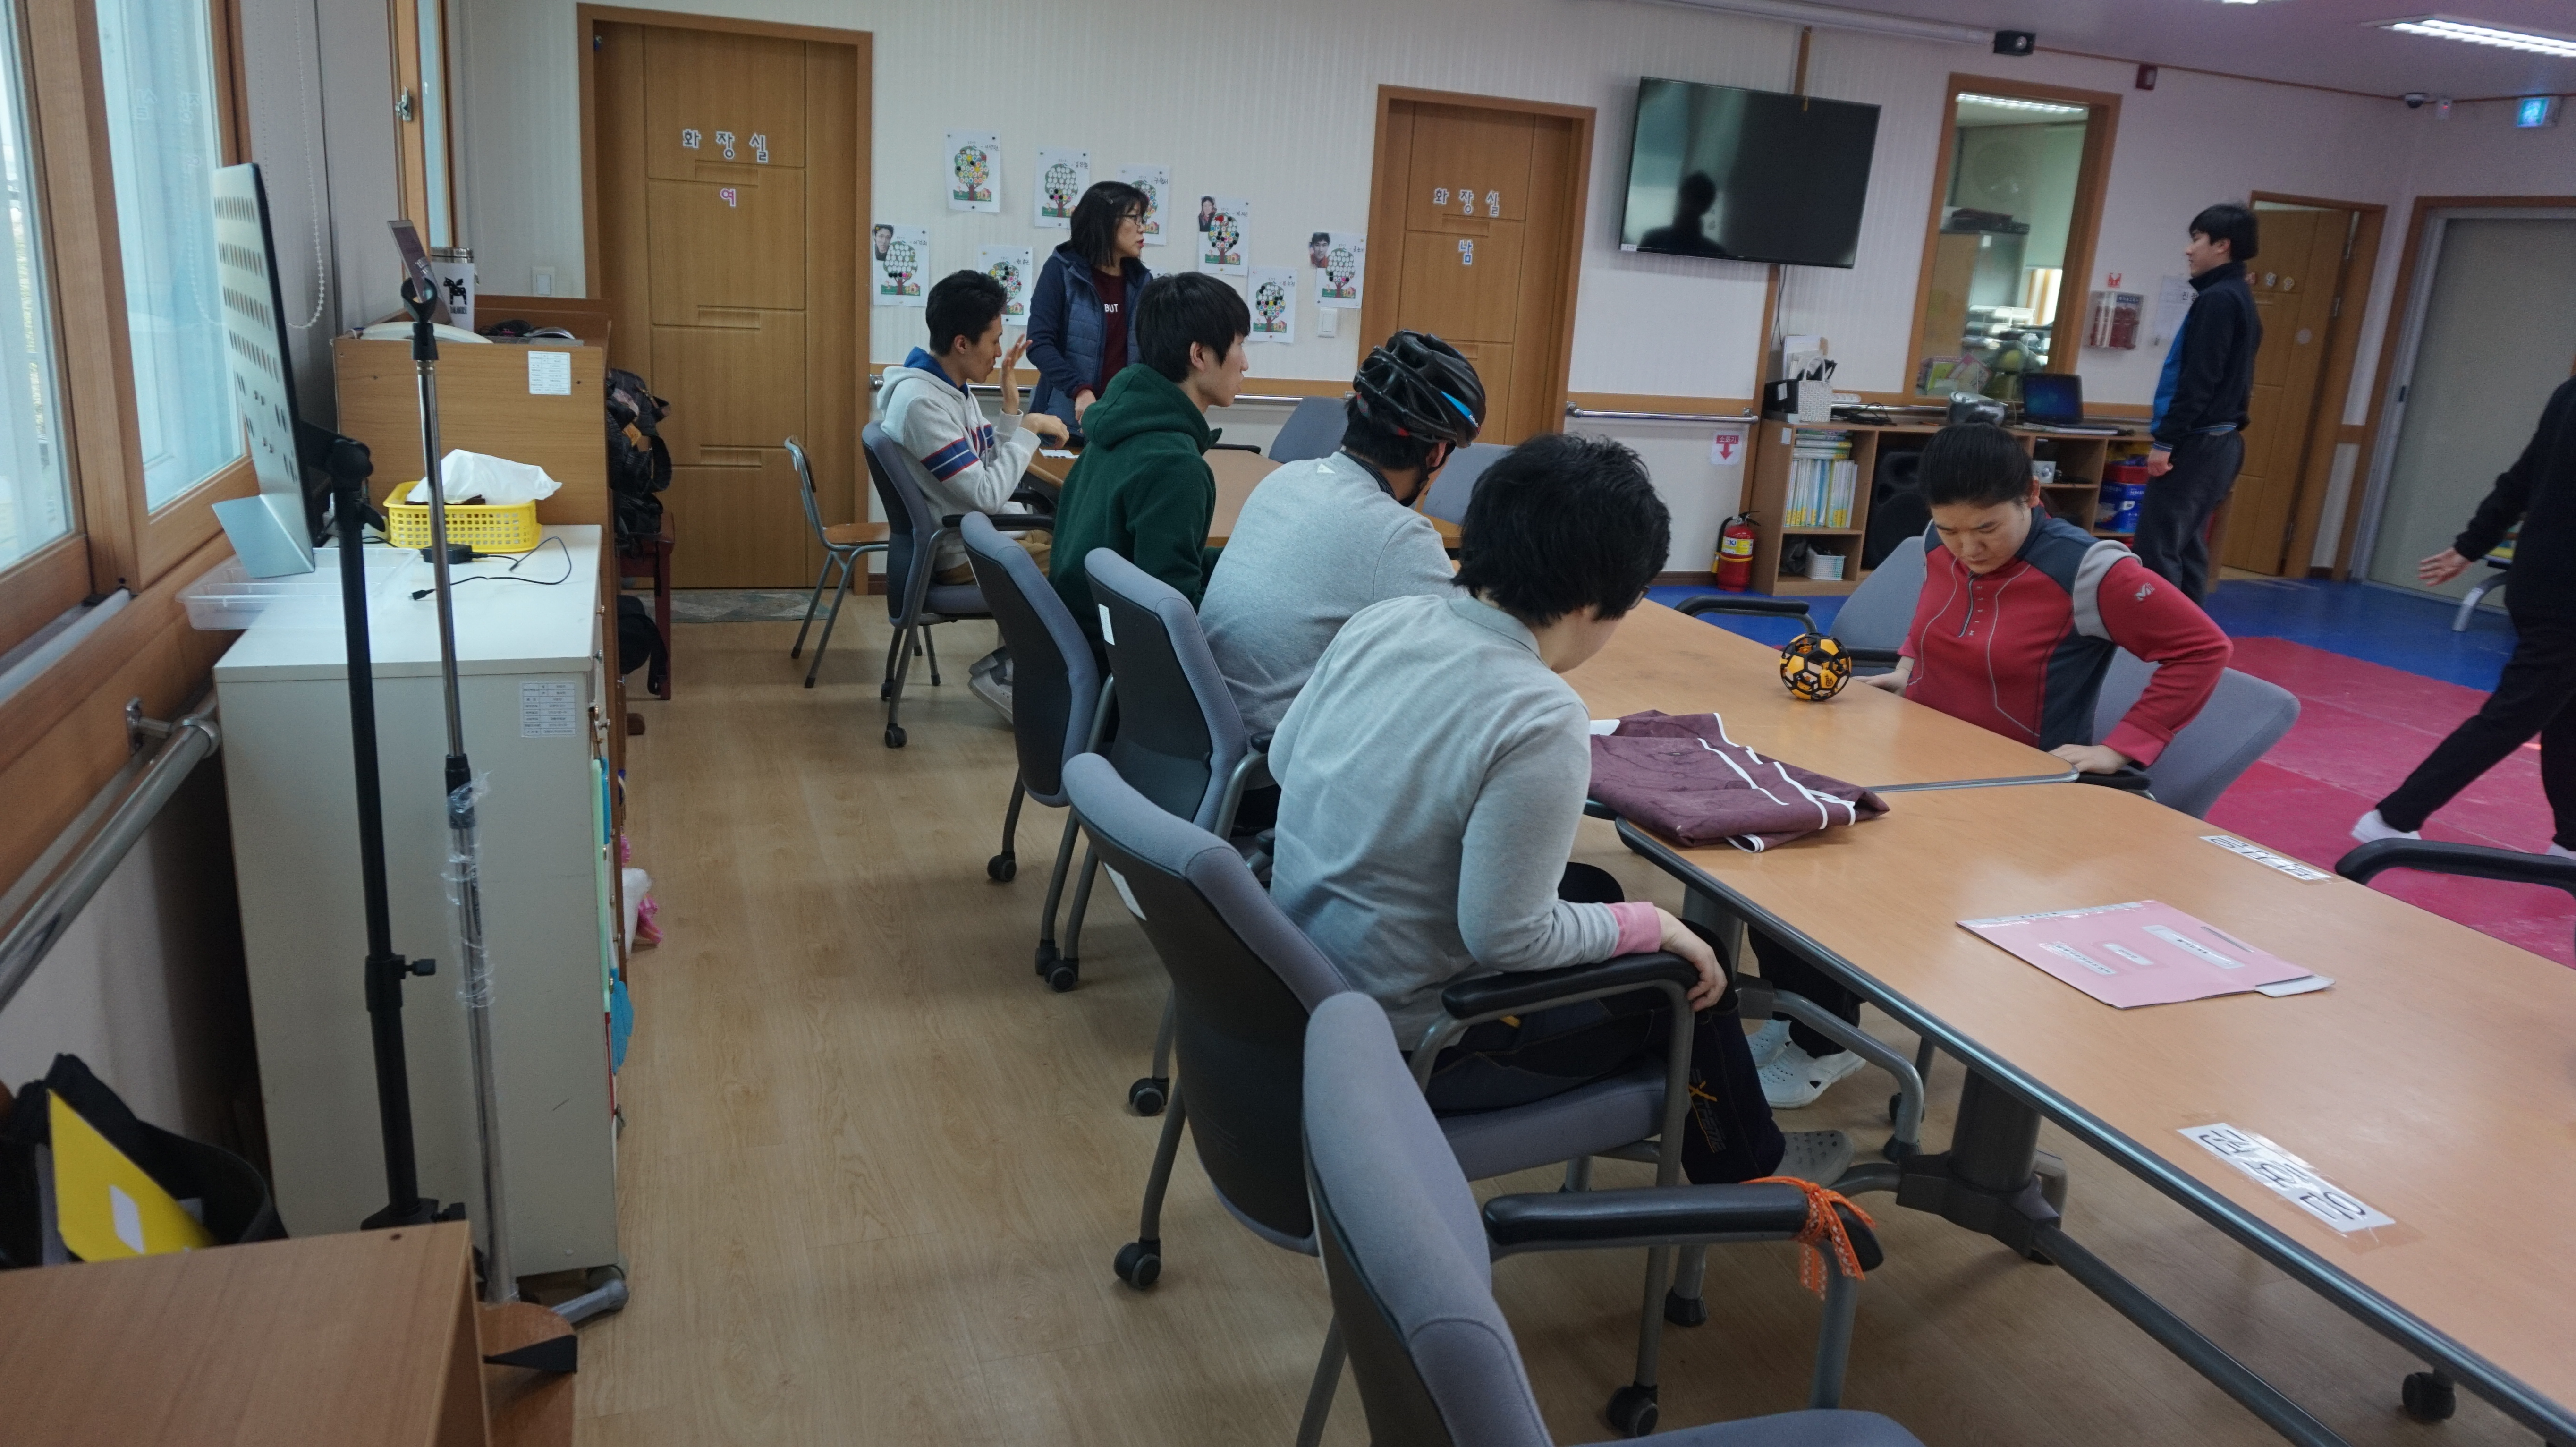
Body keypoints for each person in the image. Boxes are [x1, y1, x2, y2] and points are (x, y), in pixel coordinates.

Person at [1267, 433, 1845, 1184]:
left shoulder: (1385, 621)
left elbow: (1284, 762)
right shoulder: (1539, 715)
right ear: (1591, 602)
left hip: (1301, 986)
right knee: (1687, 967)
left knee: (1595, 891)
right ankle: (1753, 1177)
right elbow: (1508, 937)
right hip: (1419, 1046)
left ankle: (1726, 1149)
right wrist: (1655, 926)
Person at [1751, 422, 2234, 1107]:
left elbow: (2202, 649)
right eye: (1951, 530)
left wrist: (2122, 745)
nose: (1967, 548)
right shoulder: (1936, 541)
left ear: (2031, 495)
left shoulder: (2090, 571)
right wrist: (1910, 667)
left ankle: (1826, 1043)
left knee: (1827, 872)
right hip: (1922, 766)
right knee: (1775, 845)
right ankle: (1798, 1012)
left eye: (1986, 528)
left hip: (2013, 796)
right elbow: (1939, 606)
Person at [1199, 331, 1483, 737]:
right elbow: (1477, 658)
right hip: (1273, 756)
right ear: (1436, 453)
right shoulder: (1398, 534)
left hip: (1205, 724)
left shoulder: (1286, 478)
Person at [2355, 377, 2576, 858]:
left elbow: (2519, 480)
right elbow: (2525, 478)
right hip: (2565, 595)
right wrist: (2470, 546)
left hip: (2542, 580)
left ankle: (2571, 843)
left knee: (2566, 715)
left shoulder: (2569, 391)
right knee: (2515, 714)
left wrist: (2470, 547)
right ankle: (2393, 817)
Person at [874, 271, 1069, 715]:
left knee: (1074, 541)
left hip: (979, 534)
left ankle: (1015, 669)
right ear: (962, 343)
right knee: (1079, 571)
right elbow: (986, 493)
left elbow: (986, 467)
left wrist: (1012, 411)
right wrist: (1029, 430)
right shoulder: (922, 403)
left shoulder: (949, 389)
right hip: (962, 551)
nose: (1000, 352)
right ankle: (1009, 675)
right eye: (995, 340)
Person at [1048, 272, 1248, 642]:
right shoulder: (1176, 466)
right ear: (1200, 355)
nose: (1245, 364)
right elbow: (1172, 616)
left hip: (1081, 635)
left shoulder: (1119, 426)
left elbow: (1154, 563)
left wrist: (1245, 562)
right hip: (1122, 657)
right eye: (1239, 345)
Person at [2135, 202, 2262, 601]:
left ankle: (2162, 632)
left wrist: (2166, 442)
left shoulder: (2219, 300)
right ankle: (2191, 631)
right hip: (2219, 442)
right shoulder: (2238, 296)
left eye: (2197, 239)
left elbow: (2199, 380)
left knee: (2158, 548)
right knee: (2186, 546)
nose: (2189, 250)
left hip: (2199, 440)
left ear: (2223, 245)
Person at [1025, 181, 1153, 435]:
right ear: (1106, 221)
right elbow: (1038, 344)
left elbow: (1150, 355)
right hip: (1063, 425)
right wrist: (1080, 390)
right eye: (1135, 218)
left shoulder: (1143, 282)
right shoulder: (1061, 271)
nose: (1142, 228)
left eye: (1143, 219)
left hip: (1121, 427)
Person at [1638, 171, 1729, 257]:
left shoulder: (1653, 240)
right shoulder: (1715, 252)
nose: (1690, 206)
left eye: (1696, 200)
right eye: (1689, 198)